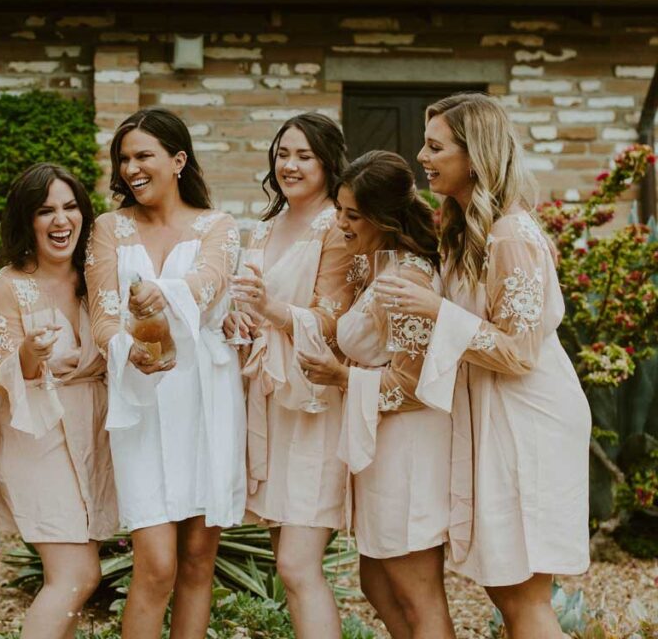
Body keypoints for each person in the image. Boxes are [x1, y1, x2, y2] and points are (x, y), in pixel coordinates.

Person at [375, 93, 591, 639]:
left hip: (527, 422)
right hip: (495, 417)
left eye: (434, 145)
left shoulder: (510, 237)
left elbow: (519, 352)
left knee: (523, 598)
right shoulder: (465, 226)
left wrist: (436, 310)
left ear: (475, 156)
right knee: (506, 588)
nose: (422, 155)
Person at [85, 108, 245, 639]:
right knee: (156, 565)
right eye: (123, 158)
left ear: (178, 160)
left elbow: (209, 282)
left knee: (199, 559)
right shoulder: (110, 228)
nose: (130, 168)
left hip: (206, 398)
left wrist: (164, 295)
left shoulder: (218, 227)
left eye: (143, 155)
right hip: (142, 401)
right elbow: (103, 316)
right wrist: (127, 348)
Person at [300, 150, 455, 639]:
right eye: (339, 209)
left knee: (417, 592)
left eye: (352, 214)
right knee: (377, 583)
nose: (340, 222)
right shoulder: (380, 267)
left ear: (383, 218)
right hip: (380, 442)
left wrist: (341, 376)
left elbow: (411, 385)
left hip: (408, 446)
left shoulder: (406, 280)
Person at [223, 112, 355, 639]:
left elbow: (334, 320)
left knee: (299, 566)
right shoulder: (264, 226)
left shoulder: (338, 226)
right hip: (269, 400)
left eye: (304, 155)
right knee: (288, 564)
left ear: (327, 162)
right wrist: (238, 318)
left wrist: (271, 310)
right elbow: (251, 306)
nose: (290, 165)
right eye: (283, 154)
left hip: (313, 405)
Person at [0, 163, 118, 639]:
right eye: (45, 211)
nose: (61, 221)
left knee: (76, 578)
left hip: (94, 431)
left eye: (69, 207)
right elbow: (2, 370)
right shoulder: (4, 287)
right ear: (27, 220)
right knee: (77, 575)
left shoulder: (97, 278)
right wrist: (29, 354)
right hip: (36, 436)